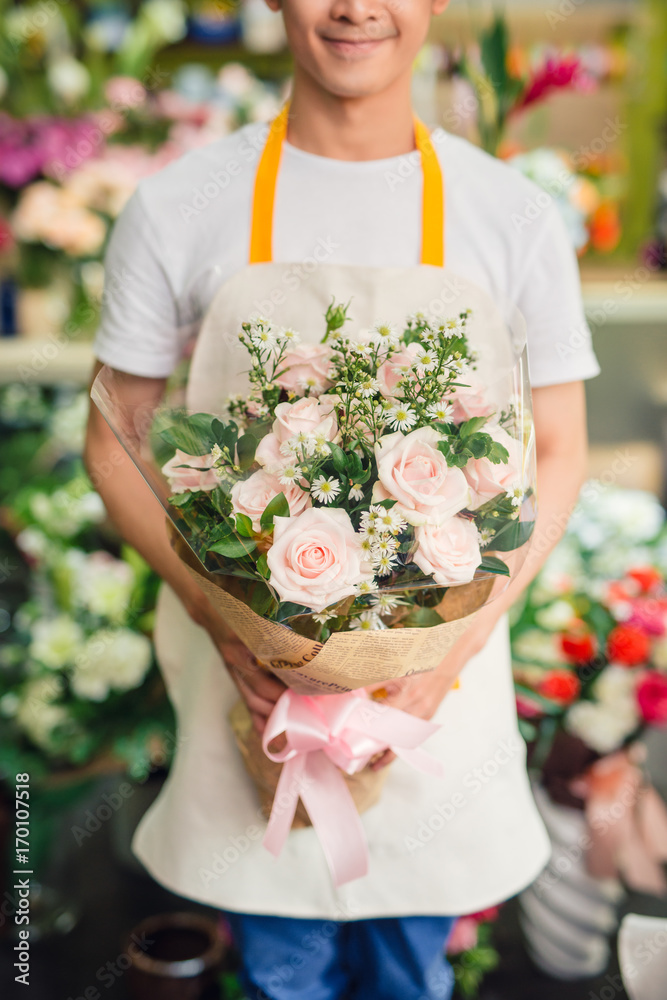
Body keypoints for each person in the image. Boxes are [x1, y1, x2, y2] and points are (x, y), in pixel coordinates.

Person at [84, 2, 601, 998]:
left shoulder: (512, 213)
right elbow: (115, 435)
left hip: (438, 701)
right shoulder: (180, 204)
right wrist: (220, 621)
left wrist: (445, 653)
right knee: (280, 967)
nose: (357, 7)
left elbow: (564, 452)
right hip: (253, 694)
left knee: (414, 971)